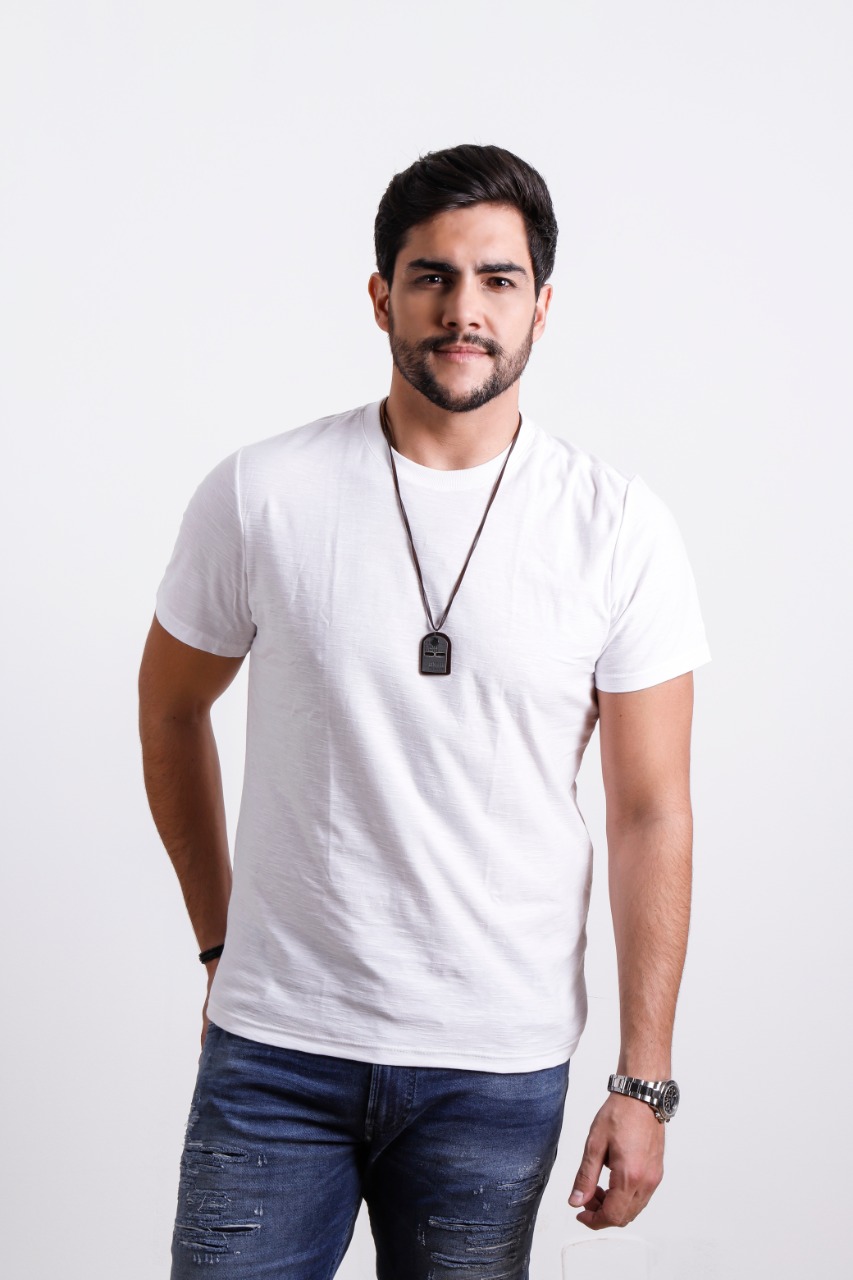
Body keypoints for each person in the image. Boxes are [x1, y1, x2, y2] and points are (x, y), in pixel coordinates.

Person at [139, 143, 709, 1279]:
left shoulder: (615, 526)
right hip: (276, 1050)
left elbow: (651, 810)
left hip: (494, 1065)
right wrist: (219, 941)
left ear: (541, 305)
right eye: (431, 277)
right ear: (380, 296)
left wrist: (642, 1081)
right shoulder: (263, 493)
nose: (464, 310)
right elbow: (169, 711)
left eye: (498, 279)